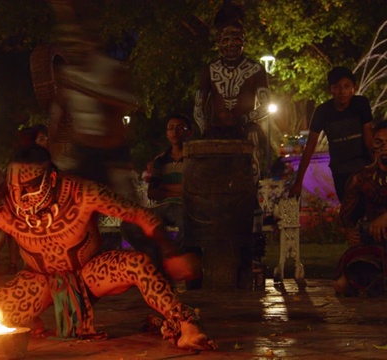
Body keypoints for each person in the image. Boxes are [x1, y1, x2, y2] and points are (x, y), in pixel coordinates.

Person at [0, 144, 214, 351]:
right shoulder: (2, 210)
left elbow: (141, 216)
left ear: (51, 179)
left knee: (137, 264)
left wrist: (168, 252)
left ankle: (185, 323)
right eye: (14, 188)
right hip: (40, 280)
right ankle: (32, 316)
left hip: (91, 273)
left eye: (28, 188)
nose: (20, 196)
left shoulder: (82, 192)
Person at [193, 0, 271, 179]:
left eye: (236, 39)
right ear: (218, 42)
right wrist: (205, 129)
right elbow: (198, 106)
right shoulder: (209, 70)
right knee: (213, 176)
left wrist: (246, 119)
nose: (231, 44)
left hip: (245, 130)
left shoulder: (255, 69)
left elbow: (266, 105)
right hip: (215, 130)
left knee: (247, 170)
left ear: (244, 40)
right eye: (226, 40)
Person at [289, 66, 374, 202]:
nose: (342, 91)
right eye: (337, 86)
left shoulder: (361, 104)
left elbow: (369, 138)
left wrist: (378, 166)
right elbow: (310, 147)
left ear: (354, 88)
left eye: (346, 86)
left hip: (363, 168)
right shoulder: (322, 112)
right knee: (347, 213)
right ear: (331, 89)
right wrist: (298, 182)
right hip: (340, 172)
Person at [120, 114, 193, 268]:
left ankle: (178, 263)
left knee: (186, 223)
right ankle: (156, 258)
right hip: (162, 207)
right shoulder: (161, 160)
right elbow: (152, 193)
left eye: (180, 128)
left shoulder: (194, 158)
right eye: (171, 128)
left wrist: (165, 187)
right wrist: (180, 189)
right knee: (129, 224)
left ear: (189, 133)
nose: (175, 132)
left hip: (185, 207)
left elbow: (192, 189)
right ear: (167, 133)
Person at [0, 125, 49, 274]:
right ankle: (10, 262)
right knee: (10, 217)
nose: (44, 143)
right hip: (23, 204)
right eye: (41, 139)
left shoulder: (51, 160)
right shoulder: (25, 159)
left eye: (46, 139)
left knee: (15, 217)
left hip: (45, 207)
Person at [335, 121, 387, 297]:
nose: (384, 149)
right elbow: (343, 219)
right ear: (373, 145)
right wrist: (348, 232)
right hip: (372, 240)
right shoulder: (361, 178)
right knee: (341, 285)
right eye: (379, 142)